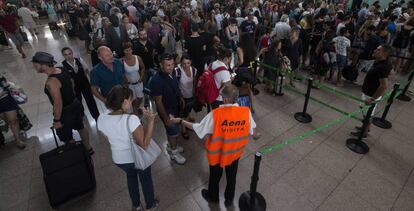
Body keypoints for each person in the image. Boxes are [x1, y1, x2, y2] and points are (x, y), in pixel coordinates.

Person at [169, 84, 257, 207]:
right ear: (236, 98)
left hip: (218, 154)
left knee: (215, 177)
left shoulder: (216, 114)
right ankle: (229, 198)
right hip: (235, 153)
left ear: (225, 99)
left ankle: (213, 197)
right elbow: (251, 130)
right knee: (232, 177)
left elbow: (198, 128)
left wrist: (180, 121)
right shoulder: (245, 112)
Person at [97, 85, 159, 211]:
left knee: (131, 178)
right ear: (124, 101)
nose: (131, 102)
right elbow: (144, 144)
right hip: (136, 158)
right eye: (130, 100)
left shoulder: (101, 118)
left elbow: (108, 138)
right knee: (145, 179)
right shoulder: (131, 119)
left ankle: (136, 206)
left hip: (119, 160)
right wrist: (151, 120)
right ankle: (150, 204)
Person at [31, 52, 93, 154]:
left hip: (65, 111)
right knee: (81, 127)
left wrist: (57, 120)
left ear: (44, 65)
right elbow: (72, 82)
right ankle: (89, 148)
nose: (34, 67)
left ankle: (77, 155)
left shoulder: (51, 82)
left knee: (66, 136)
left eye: (35, 64)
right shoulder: (61, 69)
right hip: (75, 103)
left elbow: (58, 103)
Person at [351, 45, 394, 138]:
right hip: (368, 92)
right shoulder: (381, 62)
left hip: (370, 94)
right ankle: (366, 128)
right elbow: (391, 73)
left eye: (378, 50)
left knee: (367, 114)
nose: (375, 50)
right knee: (367, 113)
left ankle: (364, 133)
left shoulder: (383, 66)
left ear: (385, 53)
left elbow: (384, 86)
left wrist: (372, 99)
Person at [151, 53, 186, 165]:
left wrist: (181, 97)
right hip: (167, 110)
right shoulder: (156, 80)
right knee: (173, 132)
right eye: (167, 65)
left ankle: (172, 147)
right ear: (161, 65)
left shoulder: (173, 72)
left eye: (172, 64)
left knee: (172, 130)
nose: (171, 67)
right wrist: (166, 118)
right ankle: (174, 152)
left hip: (175, 106)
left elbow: (176, 86)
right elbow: (158, 102)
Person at [61, 47, 100, 122]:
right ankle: (81, 115)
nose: (68, 56)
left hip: (84, 83)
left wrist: (92, 83)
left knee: (90, 100)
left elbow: (87, 70)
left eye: (70, 53)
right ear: (63, 56)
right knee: (78, 101)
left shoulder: (79, 60)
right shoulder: (63, 65)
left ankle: (96, 116)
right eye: (66, 55)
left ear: (72, 53)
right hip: (74, 87)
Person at [174, 55, 197, 139]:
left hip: (190, 95)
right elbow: (175, 85)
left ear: (190, 62)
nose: (186, 65)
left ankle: (188, 117)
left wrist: (194, 89)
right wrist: (180, 97)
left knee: (188, 109)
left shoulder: (194, 70)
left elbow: (194, 80)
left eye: (188, 63)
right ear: (181, 63)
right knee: (183, 113)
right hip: (182, 96)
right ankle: (184, 129)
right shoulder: (177, 71)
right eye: (183, 63)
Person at [0, 76, 26, 149]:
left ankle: (18, 140)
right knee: (7, 121)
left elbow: (7, 85)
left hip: (7, 100)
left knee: (13, 121)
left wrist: (10, 86)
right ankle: (17, 130)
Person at [122, 42, 145, 114]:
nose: (128, 52)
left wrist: (141, 77)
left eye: (129, 50)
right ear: (123, 51)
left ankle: (137, 108)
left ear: (132, 50)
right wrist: (125, 82)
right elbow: (122, 73)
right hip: (130, 85)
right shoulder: (122, 61)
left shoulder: (137, 58)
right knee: (133, 100)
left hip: (138, 82)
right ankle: (136, 113)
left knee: (140, 97)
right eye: (126, 50)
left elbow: (143, 68)